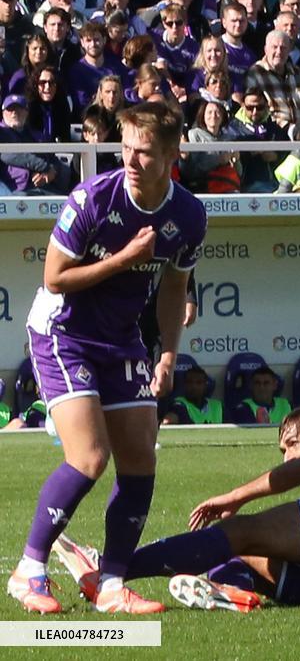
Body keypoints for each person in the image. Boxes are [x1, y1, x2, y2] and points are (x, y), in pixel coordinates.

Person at [7, 101, 206, 615]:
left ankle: (111, 584)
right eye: (126, 149)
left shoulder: (188, 214)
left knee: (140, 456)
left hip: (120, 339)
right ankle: (29, 571)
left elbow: (174, 285)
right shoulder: (92, 198)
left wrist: (167, 353)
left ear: (172, 154)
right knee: (90, 457)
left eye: (144, 152)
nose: (132, 160)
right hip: (62, 331)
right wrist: (124, 260)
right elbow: (54, 278)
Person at [54, 403, 300, 609]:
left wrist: (236, 496)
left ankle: (109, 570)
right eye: (283, 451)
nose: (288, 455)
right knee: (238, 555)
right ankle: (229, 591)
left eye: (292, 443)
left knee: (239, 531)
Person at [246, 30, 300, 128]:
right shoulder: (255, 74)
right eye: (274, 47)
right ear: (265, 50)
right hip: (274, 132)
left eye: (283, 48)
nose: (279, 52)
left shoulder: (298, 73)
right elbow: (256, 110)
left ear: (289, 51)